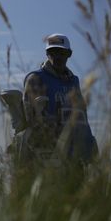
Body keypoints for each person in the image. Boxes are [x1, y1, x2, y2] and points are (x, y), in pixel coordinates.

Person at [19, 33, 97, 167]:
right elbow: (32, 120)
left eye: (61, 52)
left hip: (74, 156)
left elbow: (81, 116)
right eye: (52, 52)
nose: (57, 56)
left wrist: (89, 144)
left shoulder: (74, 82)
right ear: (47, 53)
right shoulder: (36, 79)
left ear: (69, 54)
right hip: (47, 155)